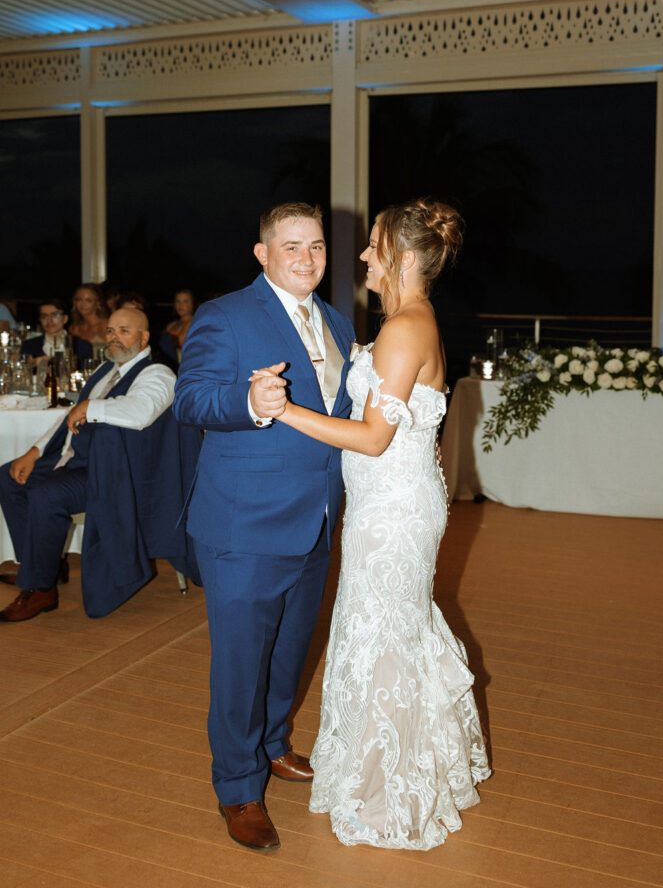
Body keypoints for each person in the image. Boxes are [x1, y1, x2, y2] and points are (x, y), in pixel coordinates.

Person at [252, 199, 491, 850]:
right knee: (385, 633)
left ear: (403, 259)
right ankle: (394, 771)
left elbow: (372, 437)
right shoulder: (409, 321)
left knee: (381, 638)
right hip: (392, 504)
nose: (360, 255)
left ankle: (390, 794)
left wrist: (283, 411)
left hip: (391, 510)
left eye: (373, 244)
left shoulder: (403, 327)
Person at [172, 202, 355, 853]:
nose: (305, 259)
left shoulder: (336, 320)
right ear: (262, 253)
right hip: (243, 525)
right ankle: (238, 787)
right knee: (241, 664)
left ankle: (273, 743)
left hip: (316, 520)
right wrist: (247, 403)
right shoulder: (225, 314)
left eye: (316, 247)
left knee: (288, 652)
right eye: (291, 247)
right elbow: (190, 397)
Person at [0, 308, 200, 621]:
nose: (114, 338)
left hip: (112, 473)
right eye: (110, 331)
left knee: (46, 495)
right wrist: (35, 451)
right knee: (8, 478)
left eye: (124, 330)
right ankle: (43, 567)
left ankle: (41, 589)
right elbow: (68, 418)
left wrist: (90, 406)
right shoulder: (107, 370)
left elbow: (141, 411)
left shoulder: (158, 374)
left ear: (144, 337)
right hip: (75, 457)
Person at [21, 298, 92, 367]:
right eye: (44, 316)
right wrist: (32, 365)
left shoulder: (82, 346)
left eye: (55, 315)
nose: (49, 320)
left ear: (65, 319)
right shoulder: (29, 346)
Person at [160, 288, 195, 367]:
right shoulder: (171, 325)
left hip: (181, 367)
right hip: (164, 366)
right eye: (178, 301)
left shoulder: (194, 322)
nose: (180, 305)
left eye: (185, 301)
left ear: (192, 304)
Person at [69, 283, 108, 349]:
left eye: (88, 300)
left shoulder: (107, 325)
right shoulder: (74, 328)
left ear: (98, 303)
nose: (83, 304)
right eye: (79, 300)